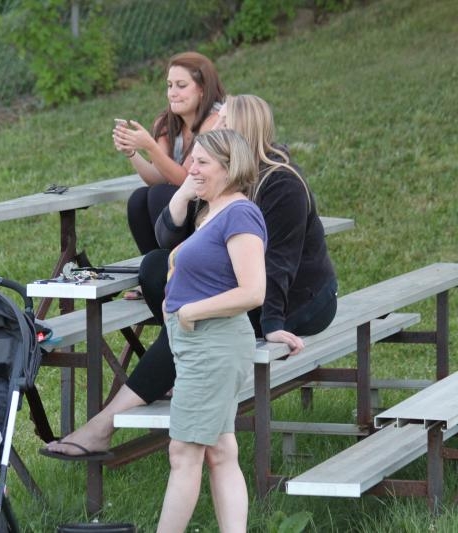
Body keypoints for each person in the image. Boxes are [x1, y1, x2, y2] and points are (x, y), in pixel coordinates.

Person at [43, 94, 337, 459]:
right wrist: (182, 195)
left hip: (298, 300)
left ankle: (102, 426)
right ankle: (178, 371)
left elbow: (280, 265)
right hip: (241, 291)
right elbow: (174, 244)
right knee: (154, 267)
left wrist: (272, 325)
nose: (212, 126)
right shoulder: (218, 175)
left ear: (242, 132)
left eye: (223, 120)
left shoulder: (281, 183)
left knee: (189, 325)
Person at [157, 128, 266, 531]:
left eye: (202, 162)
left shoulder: (240, 213)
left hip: (212, 344)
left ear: (229, 166)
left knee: (184, 453)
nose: (192, 169)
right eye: (192, 160)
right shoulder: (212, 211)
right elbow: (169, 234)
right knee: (220, 450)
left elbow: (254, 290)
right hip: (199, 344)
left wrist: (191, 311)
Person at [113, 51, 225, 259]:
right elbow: (157, 178)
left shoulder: (215, 121)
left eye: (181, 86)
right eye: (169, 85)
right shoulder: (167, 123)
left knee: (160, 194)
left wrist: (150, 147)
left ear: (202, 89)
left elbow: (187, 179)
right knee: (138, 199)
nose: (172, 92)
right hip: (180, 202)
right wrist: (132, 152)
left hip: (210, 205)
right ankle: (153, 270)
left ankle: (176, 270)